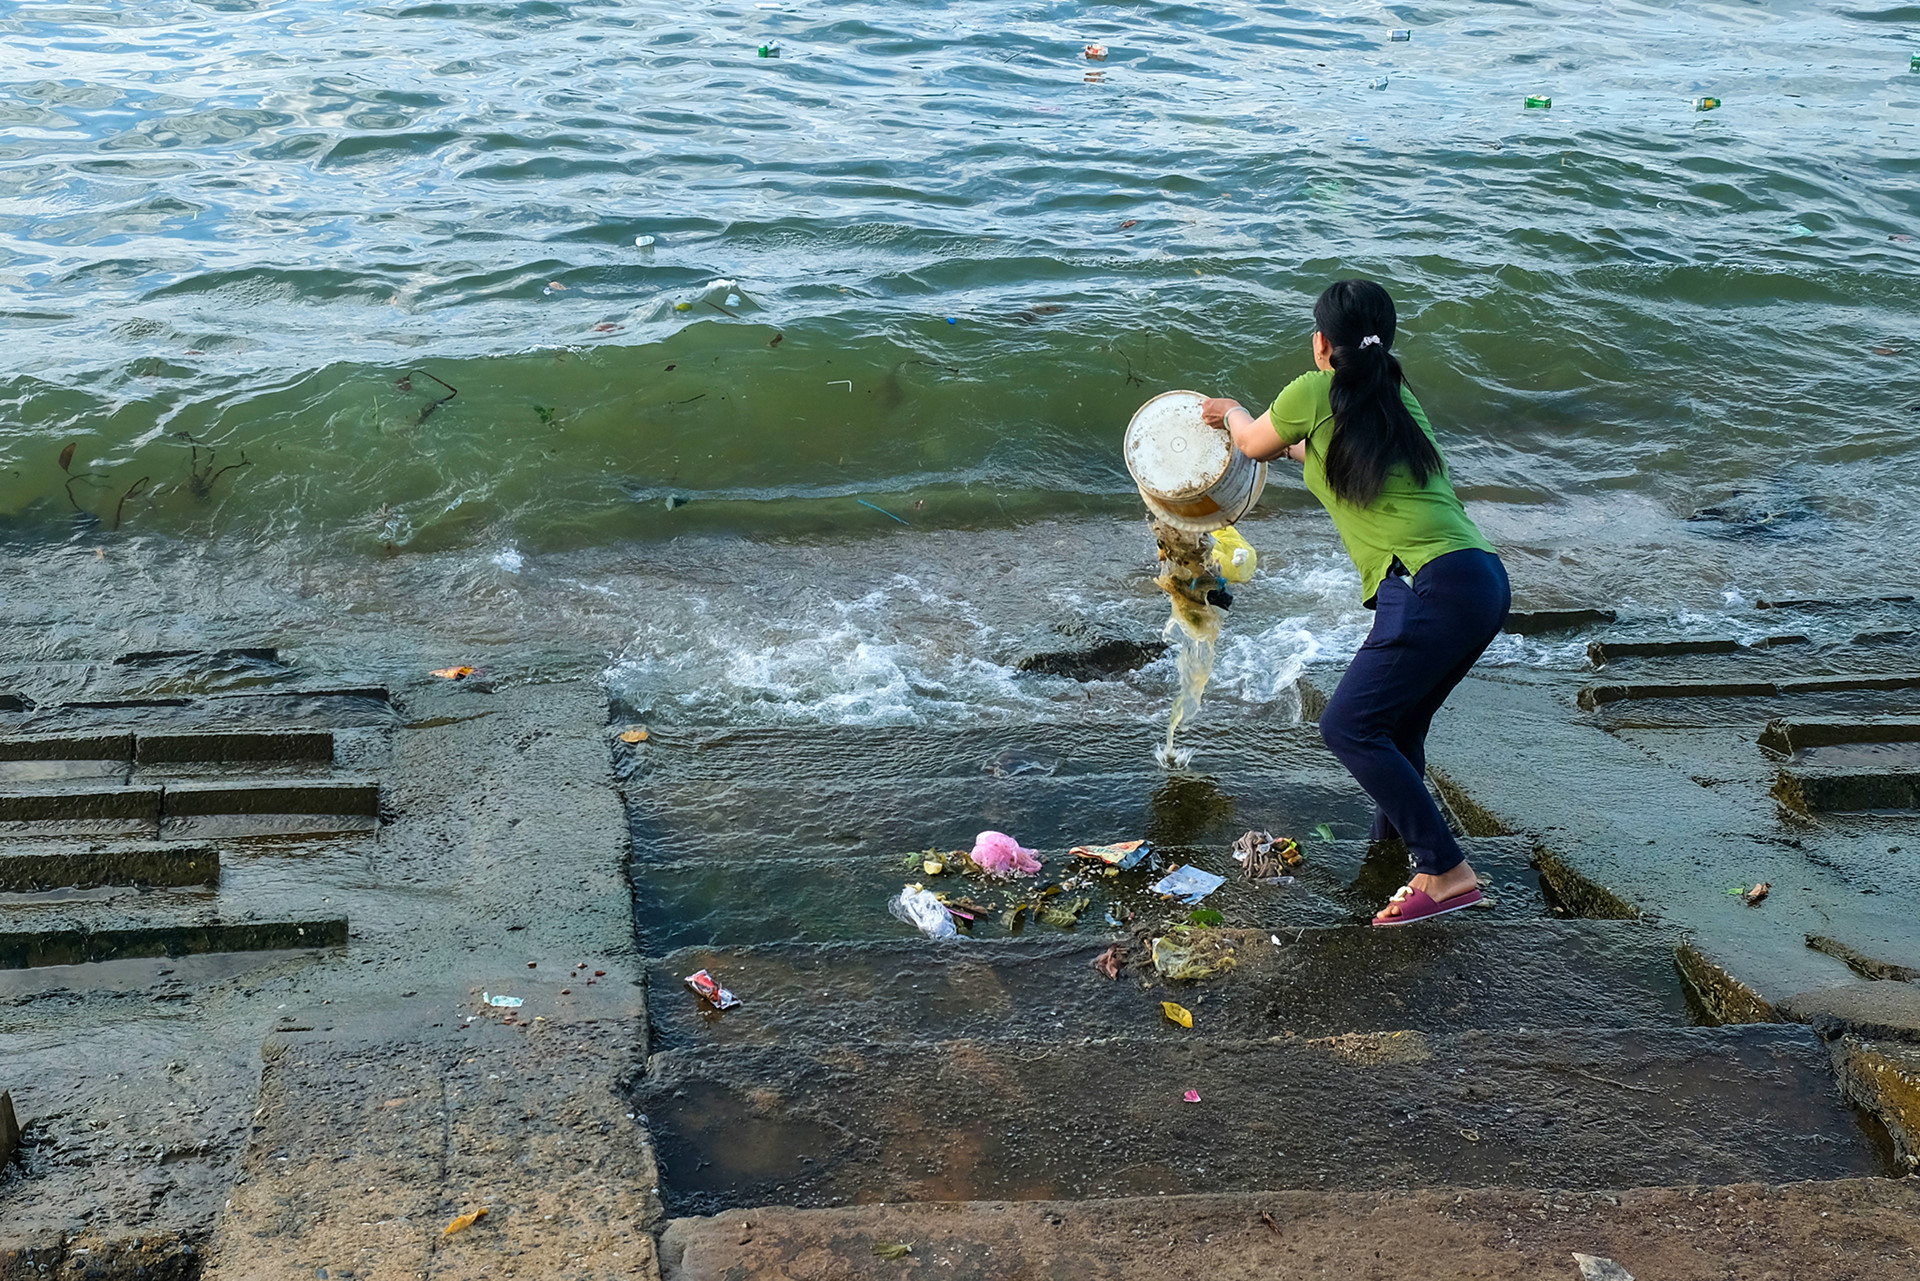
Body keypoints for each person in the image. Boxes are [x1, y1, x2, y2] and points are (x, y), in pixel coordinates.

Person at [1201, 279, 1510, 926]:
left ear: (1321, 343)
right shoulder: (1397, 403)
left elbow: (1253, 443)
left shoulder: (1312, 390)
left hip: (1426, 583)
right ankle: (1392, 858)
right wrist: (1276, 436)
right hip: (1480, 579)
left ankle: (1446, 870)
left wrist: (1230, 411)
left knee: (1347, 725)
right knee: (1398, 728)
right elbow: (1303, 446)